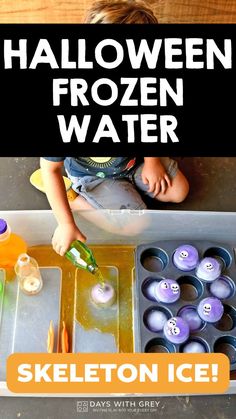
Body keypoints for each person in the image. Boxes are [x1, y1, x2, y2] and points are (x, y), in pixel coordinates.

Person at [40, 1, 189, 257]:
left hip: (133, 163)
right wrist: (66, 224)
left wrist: (153, 162)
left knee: (179, 192)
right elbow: (50, 170)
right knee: (136, 224)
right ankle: (77, 200)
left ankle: (128, 185)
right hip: (93, 177)